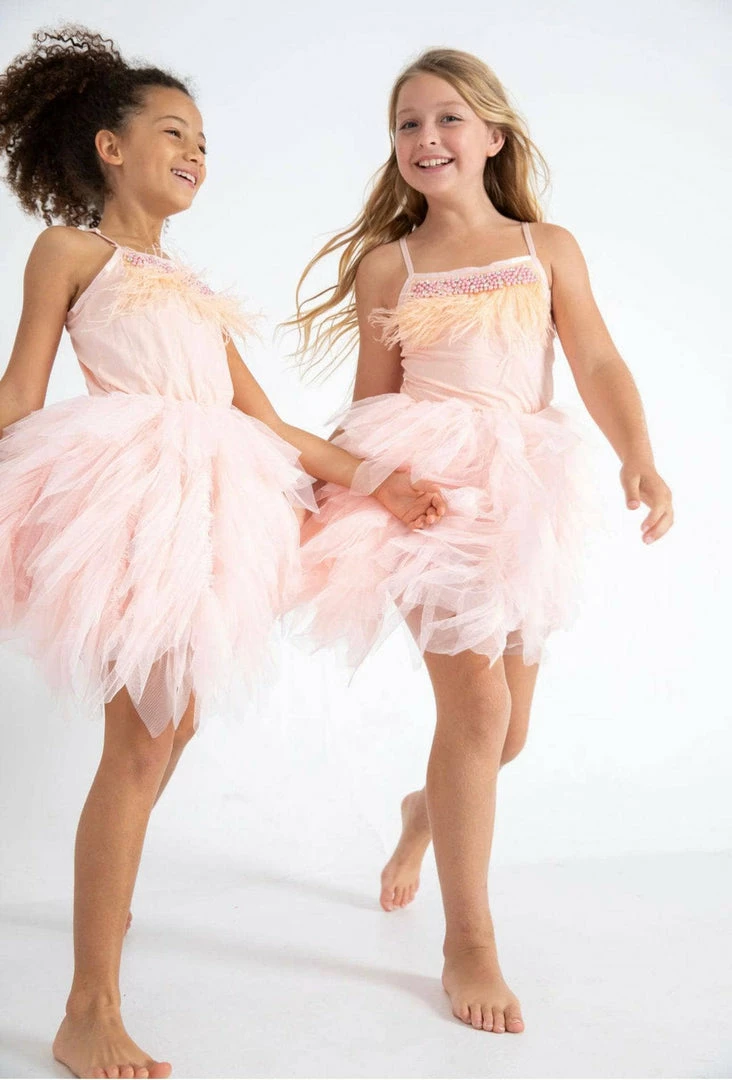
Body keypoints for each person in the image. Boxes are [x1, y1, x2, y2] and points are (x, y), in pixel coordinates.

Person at [0, 26, 445, 1079]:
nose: (195, 151)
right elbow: (22, 391)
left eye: (203, 140)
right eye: (173, 132)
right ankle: (88, 1006)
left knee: (176, 722)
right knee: (141, 739)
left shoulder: (193, 288)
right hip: (131, 497)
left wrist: (377, 478)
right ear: (110, 147)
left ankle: (106, 901)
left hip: (214, 503)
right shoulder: (71, 252)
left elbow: (269, 423)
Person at [289, 47, 674, 1034]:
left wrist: (637, 455)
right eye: (408, 124)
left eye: (448, 118)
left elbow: (596, 358)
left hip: (525, 489)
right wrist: (340, 490)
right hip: (425, 493)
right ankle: (470, 941)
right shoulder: (392, 264)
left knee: (508, 733)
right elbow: (371, 401)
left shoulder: (547, 247)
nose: (427, 138)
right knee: (477, 702)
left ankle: (426, 813)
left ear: (494, 136)